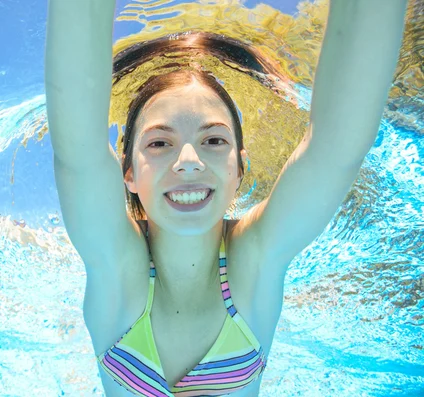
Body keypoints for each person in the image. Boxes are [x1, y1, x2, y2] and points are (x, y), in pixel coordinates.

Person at [45, 1, 408, 396]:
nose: (188, 162)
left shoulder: (251, 262)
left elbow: (335, 148)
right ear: (128, 173)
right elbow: (78, 153)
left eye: (213, 140)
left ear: (239, 169)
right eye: (160, 142)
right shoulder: (118, 265)